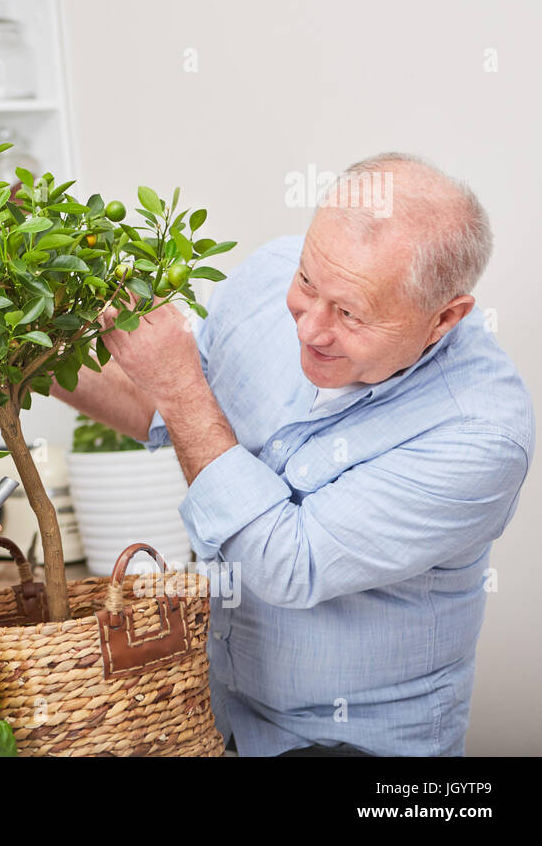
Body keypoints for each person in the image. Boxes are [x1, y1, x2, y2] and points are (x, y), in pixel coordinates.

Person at [54, 153, 534, 756]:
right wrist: (26, 353)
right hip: (218, 716)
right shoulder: (270, 273)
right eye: (307, 283)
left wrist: (178, 385)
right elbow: (165, 412)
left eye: (350, 313)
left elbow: (285, 561)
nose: (309, 329)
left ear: (443, 318)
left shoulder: (480, 434)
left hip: (356, 744)